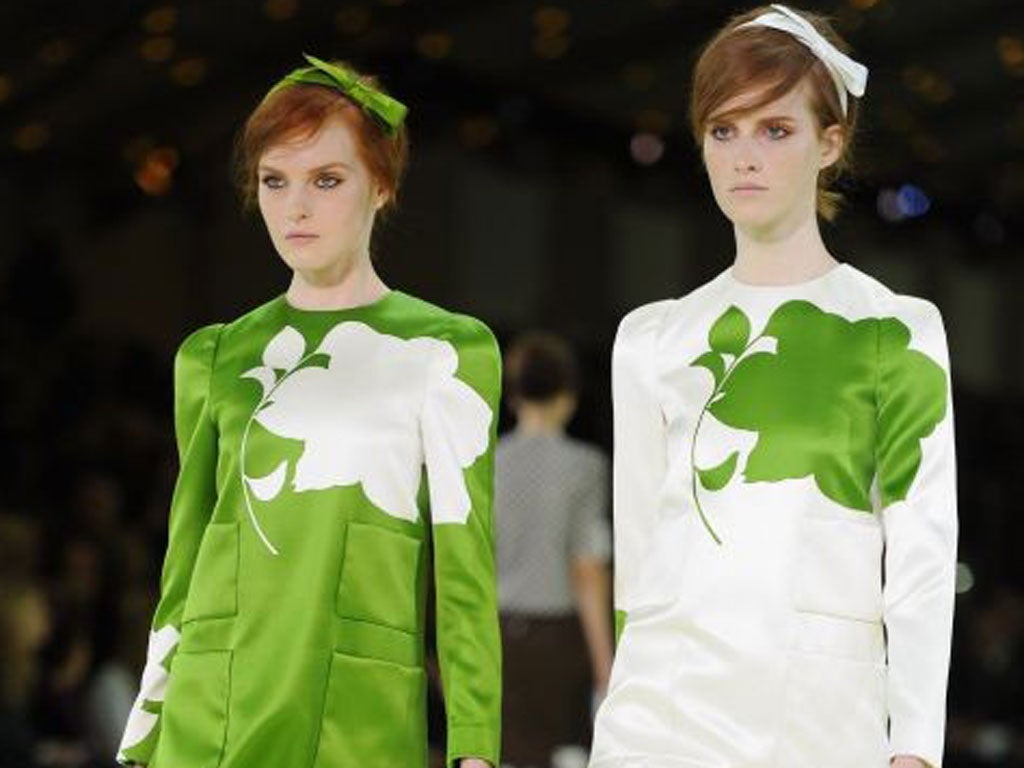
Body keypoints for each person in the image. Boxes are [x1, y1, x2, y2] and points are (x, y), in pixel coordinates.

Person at [589, 6, 957, 768]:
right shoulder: (653, 340)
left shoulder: (896, 333)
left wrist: (916, 747)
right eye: (723, 130)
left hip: (817, 719)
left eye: (776, 130)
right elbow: (640, 563)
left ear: (831, 142)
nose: (744, 157)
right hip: (658, 717)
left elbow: (922, 557)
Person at [115, 54, 502, 768]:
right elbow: (186, 561)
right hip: (210, 714)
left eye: (326, 179)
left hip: (355, 718)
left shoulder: (444, 353)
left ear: (381, 185)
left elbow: (464, 572)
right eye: (275, 180)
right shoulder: (216, 357)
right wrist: (142, 736)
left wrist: (474, 747)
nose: (295, 206)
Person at [495, 332, 613, 767]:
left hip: (497, 632)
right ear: (568, 395)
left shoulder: (486, 464)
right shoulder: (585, 466)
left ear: (512, 395)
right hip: (560, 638)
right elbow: (587, 568)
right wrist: (605, 664)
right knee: (565, 756)